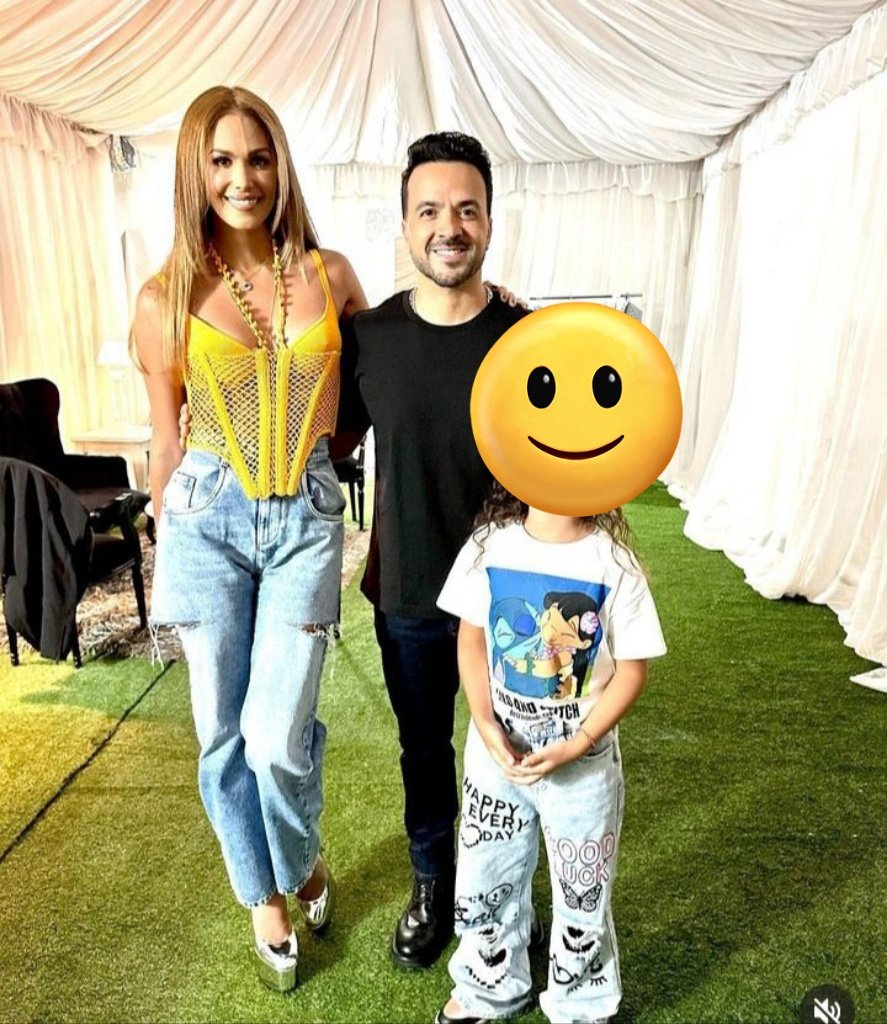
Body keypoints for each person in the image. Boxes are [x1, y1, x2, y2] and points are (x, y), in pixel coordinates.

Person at [131, 85, 367, 992]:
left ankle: (300, 860)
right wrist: (165, 548)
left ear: (281, 166)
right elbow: (164, 440)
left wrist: (487, 298)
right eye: (222, 160)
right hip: (206, 517)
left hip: (304, 516)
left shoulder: (330, 274)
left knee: (274, 734)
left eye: (259, 158)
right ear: (194, 172)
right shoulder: (164, 297)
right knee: (221, 734)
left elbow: (374, 385)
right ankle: (263, 893)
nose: (242, 178)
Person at [338, 131, 528, 969]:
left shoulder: (526, 336)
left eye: (465, 209)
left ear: (488, 219)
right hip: (409, 588)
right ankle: (433, 882)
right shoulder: (368, 336)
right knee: (424, 750)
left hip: (512, 593)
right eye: (429, 210)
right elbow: (327, 442)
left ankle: (505, 890)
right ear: (405, 224)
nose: (448, 227)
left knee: (514, 750)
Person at [434, 481, 666, 1023]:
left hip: (583, 765)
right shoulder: (490, 546)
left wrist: (579, 742)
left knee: (583, 888)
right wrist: (484, 721)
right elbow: (471, 639)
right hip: (497, 757)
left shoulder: (614, 562)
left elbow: (632, 671)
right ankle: (488, 985)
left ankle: (580, 1003)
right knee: (485, 870)